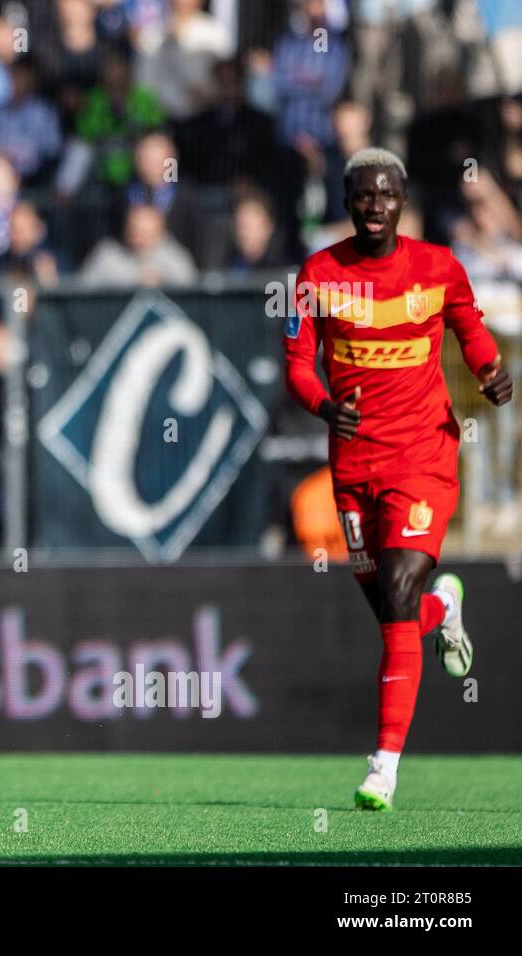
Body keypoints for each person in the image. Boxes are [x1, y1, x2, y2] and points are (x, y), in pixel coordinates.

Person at [284, 148, 514, 811]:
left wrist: (490, 371)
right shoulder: (318, 275)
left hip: (423, 455)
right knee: (396, 612)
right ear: (349, 200)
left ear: (402, 200)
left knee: (397, 588)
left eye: (387, 195)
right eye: (363, 195)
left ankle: (382, 765)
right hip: (353, 466)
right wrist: (327, 405)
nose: (375, 205)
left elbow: (470, 330)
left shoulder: (439, 267)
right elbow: (298, 363)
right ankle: (446, 609)